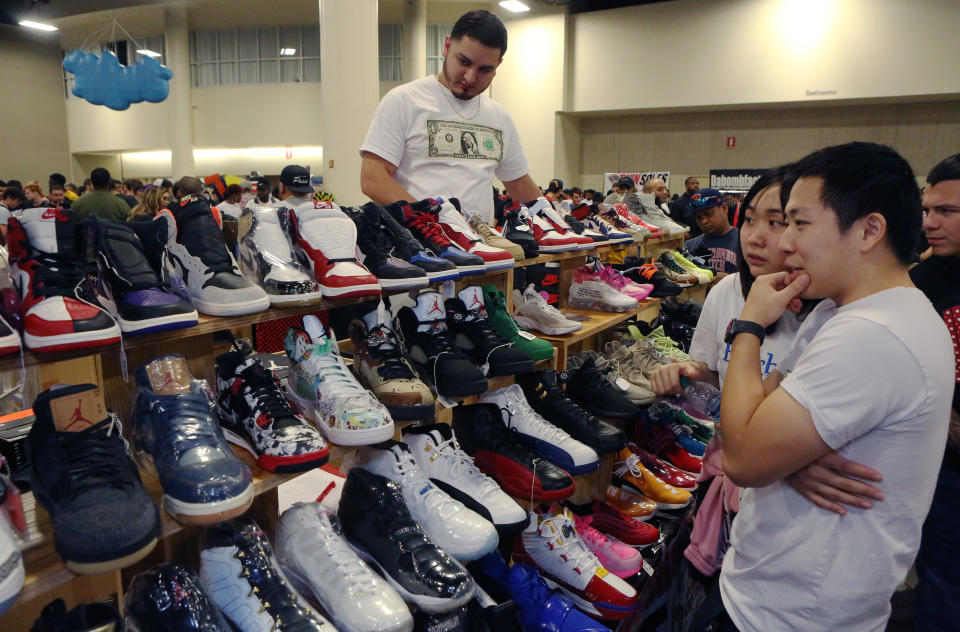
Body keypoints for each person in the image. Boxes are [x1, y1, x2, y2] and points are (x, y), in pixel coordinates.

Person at [717, 142, 953, 631]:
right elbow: (760, 419)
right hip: (777, 590)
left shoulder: (873, 334)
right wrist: (786, 458)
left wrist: (750, 325)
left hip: (794, 613)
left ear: (869, 230)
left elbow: (742, 457)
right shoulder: (838, 311)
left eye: (800, 224)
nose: (784, 244)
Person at [359, 9, 541, 224]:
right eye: (464, 61)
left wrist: (558, 223)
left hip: (482, 249)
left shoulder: (499, 116)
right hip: (420, 249)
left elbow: (520, 185)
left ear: (498, 65)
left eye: (484, 69)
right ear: (447, 47)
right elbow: (373, 178)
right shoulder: (404, 101)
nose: (470, 77)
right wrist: (433, 221)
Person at [685, 188, 738, 279]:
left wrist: (730, 280)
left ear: (724, 208)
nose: (704, 221)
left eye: (708, 214)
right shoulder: (690, 246)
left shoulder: (745, 241)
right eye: (699, 217)